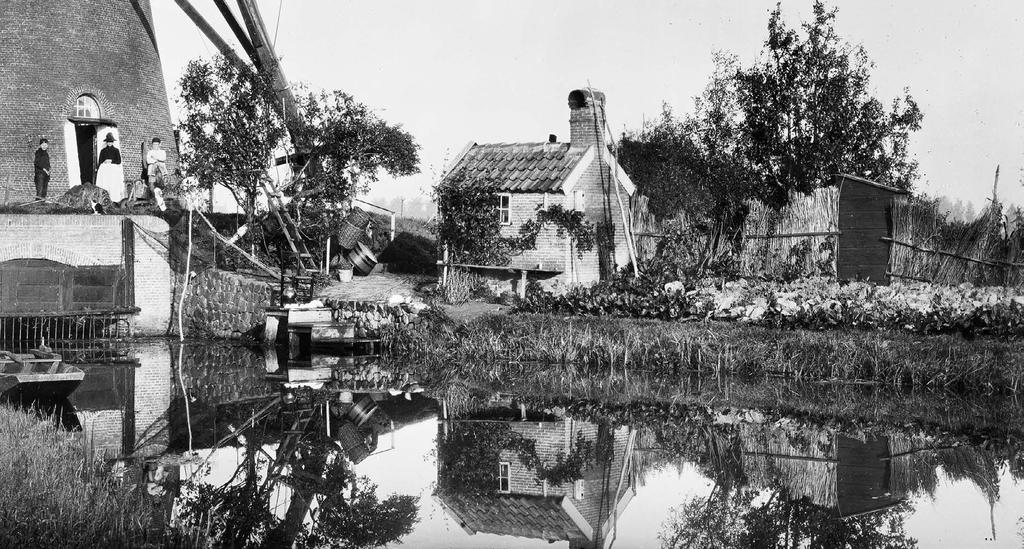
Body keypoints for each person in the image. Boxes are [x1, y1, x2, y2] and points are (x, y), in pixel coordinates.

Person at [94, 132, 125, 204]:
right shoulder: (103, 151)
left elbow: (119, 161)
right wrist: (103, 162)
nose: (109, 143)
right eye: (108, 142)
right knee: (105, 183)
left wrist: (111, 161)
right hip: (105, 171)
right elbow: (100, 161)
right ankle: (104, 199)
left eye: (111, 142)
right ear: (106, 142)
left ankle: (115, 199)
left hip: (113, 170)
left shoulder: (116, 150)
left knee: (113, 184)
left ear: (113, 142)